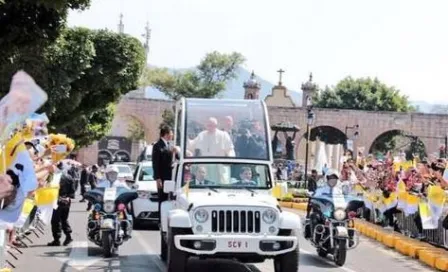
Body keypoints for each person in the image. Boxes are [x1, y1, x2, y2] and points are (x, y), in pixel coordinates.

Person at [47, 163, 75, 246]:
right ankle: (68, 236)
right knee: (64, 219)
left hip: (57, 200)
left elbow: (50, 189)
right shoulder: (69, 177)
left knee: (55, 220)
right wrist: (68, 197)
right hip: (66, 201)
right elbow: (73, 191)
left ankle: (57, 239)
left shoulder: (54, 177)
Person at [152, 126, 174, 223]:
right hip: (162, 178)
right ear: (166, 134)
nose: (172, 135)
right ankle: (161, 221)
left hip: (170, 178)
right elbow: (155, 163)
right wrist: (158, 178)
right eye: (171, 133)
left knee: (169, 200)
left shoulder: (169, 145)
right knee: (162, 199)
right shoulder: (157, 146)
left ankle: (167, 219)